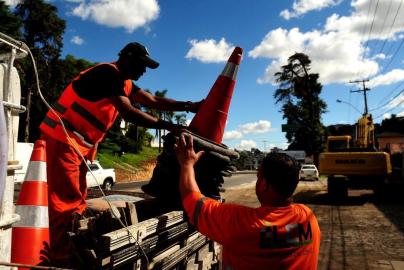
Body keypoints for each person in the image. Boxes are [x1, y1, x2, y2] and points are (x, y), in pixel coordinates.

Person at [39, 42, 202, 264]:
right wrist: (170, 127)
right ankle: (59, 259)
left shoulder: (125, 83)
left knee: (77, 201)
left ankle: (71, 247)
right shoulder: (108, 73)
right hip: (63, 138)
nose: (143, 71)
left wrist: (188, 106)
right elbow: (129, 112)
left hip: (78, 144)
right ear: (127, 58)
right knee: (64, 202)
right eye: (141, 65)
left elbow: (152, 100)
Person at [174, 134, 321, 270]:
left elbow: (193, 201)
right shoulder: (308, 219)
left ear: (264, 184)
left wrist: (186, 165)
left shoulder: (240, 223)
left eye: (258, 176)